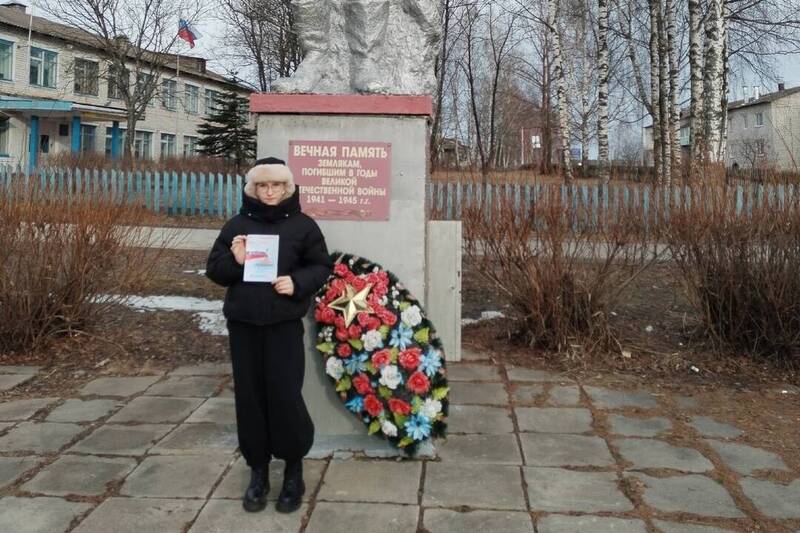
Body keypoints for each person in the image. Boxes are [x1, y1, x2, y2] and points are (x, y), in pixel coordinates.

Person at [205, 157, 333, 513]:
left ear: (287, 187)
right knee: (250, 398)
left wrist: (297, 283)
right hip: (244, 326)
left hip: (282, 325)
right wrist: (238, 260)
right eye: (263, 186)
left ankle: (294, 471)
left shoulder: (304, 226)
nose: (270, 191)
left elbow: (321, 265)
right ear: (253, 189)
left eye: (276, 185)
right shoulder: (237, 225)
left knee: (284, 396)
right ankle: (257, 471)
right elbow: (215, 270)